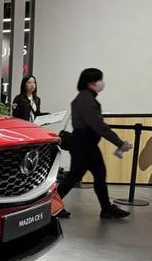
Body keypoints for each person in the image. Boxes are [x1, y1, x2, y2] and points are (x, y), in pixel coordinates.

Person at [56, 68, 133, 219]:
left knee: (94, 174)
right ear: (90, 83)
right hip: (84, 144)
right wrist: (119, 143)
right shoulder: (86, 100)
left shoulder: (84, 98)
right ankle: (51, 206)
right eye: (98, 80)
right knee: (76, 177)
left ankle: (106, 208)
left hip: (85, 144)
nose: (101, 83)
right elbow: (98, 125)